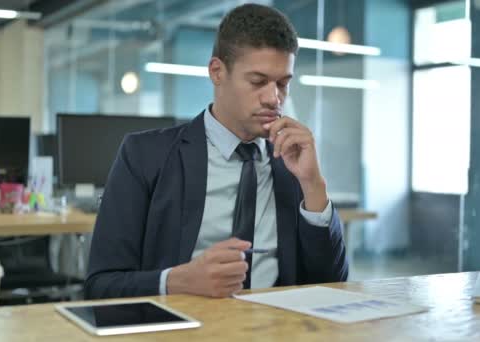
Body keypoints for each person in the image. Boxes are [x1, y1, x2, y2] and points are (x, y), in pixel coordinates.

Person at [85, 3, 348, 299]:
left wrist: (314, 186)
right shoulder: (145, 155)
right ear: (217, 72)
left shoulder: (292, 163)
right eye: (258, 81)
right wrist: (175, 281)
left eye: (283, 84)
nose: (274, 98)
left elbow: (333, 286)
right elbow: (100, 285)